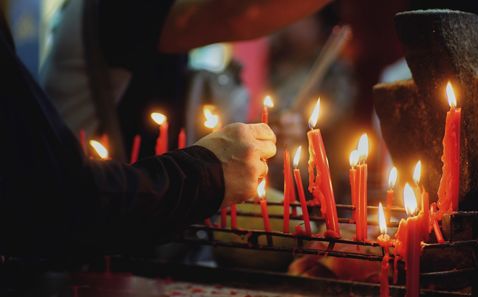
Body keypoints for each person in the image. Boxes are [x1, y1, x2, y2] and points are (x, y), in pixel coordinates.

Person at [0, 9, 276, 294]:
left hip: (134, 234)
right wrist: (208, 172)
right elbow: (241, 15)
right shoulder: (117, 10)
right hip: (87, 261)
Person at [41, 0, 333, 161]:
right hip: (88, 235)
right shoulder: (120, 8)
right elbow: (241, 15)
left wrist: (258, 132)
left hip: (132, 221)